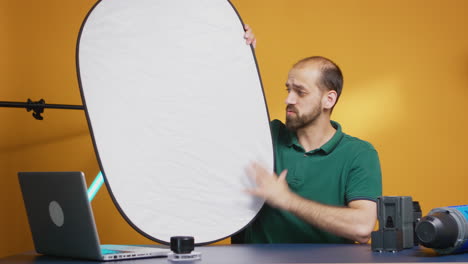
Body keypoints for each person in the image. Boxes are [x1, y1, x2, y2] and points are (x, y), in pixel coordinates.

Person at [239, 25, 382, 244]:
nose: (289, 100)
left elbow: (362, 227)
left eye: (300, 92)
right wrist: (238, 56)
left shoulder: (359, 153)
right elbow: (223, 122)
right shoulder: (268, 135)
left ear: (329, 99)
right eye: (288, 90)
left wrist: (287, 200)